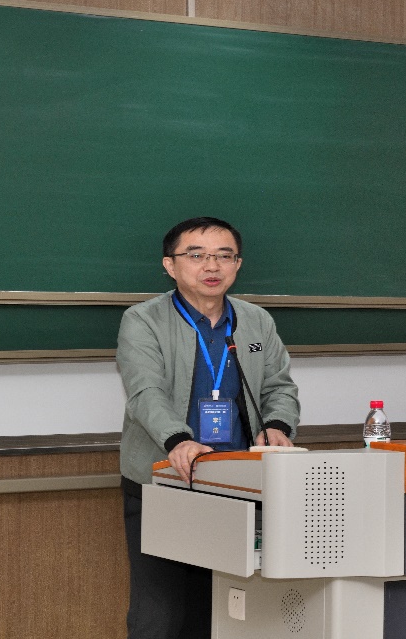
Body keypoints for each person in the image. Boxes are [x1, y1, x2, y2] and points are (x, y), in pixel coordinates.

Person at [117, 216, 301, 639]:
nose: (212, 266)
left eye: (224, 256)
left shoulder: (255, 322)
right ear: (170, 265)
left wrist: (277, 425)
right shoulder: (143, 320)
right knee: (160, 614)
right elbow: (145, 391)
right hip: (164, 479)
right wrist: (179, 440)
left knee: (222, 610)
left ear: (238, 264)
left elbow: (280, 386)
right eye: (196, 255)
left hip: (238, 484)